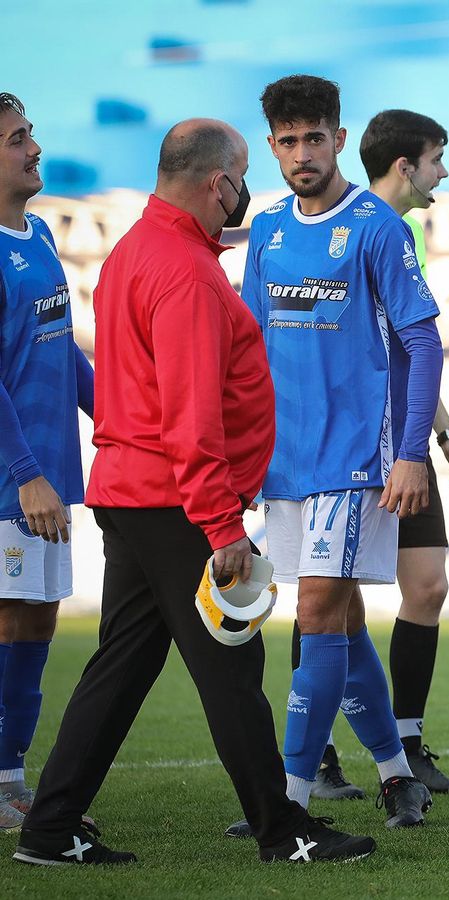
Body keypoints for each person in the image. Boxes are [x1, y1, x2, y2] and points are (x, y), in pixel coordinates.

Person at [16, 117, 374, 865]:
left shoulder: (140, 251)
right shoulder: (182, 269)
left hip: (138, 491)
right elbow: (190, 411)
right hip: (173, 502)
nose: (248, 190)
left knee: (123, 666)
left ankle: (50, 828)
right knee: (232, 669)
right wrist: (219, 525)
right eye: (244, 174)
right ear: (220, 183)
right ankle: (285, 832)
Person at [242, 74, 436, 831]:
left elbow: (422, 341)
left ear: (339, 139)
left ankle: (287, 800)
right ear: (271, 148)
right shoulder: (267, 230)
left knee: (317, 611)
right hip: (283, 458)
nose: (301, 153)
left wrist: (414, 452)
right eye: (287, 141)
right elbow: (249, 345)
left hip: (357, 455)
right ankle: (396, 776)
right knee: (343, 621)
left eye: (313, 137)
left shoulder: (377, 226)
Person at [354, 107, 449, 795]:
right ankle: (318, 758)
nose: (444, 171)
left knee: (427, 586)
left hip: (408, 442)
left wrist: (445, 434)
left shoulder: (405, 234)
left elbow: (414, 345)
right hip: (354, 447)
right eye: (437, 158)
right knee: (330, 597)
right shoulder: (351, 230)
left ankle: (407, 744)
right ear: (406, 166)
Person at [0, 92, 93, 833]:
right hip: (14, 480)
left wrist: (127, 414)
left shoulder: (35, 236)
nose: (34, 148)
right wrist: (26, 471)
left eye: (29, 133)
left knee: (35, 622)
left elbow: (63, 355)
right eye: (17, 139)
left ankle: (9, 775)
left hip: (50, 474)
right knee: (11, 620)